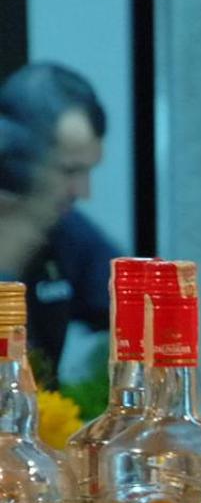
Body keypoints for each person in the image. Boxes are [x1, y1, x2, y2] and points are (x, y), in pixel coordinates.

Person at [0, 63, 119, 384]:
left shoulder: (64, 230)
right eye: (69, 171)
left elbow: (149, 304)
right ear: (13, 164)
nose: (83, 191)